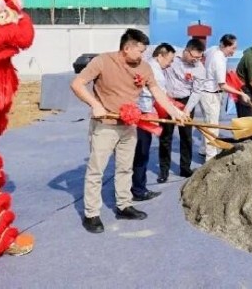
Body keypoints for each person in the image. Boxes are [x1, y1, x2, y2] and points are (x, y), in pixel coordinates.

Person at [71, 29, 188, 234]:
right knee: (96, 171)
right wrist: (95, 104)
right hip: (105, 125)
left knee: (125, 168)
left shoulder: (144, 67)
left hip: (129, 125)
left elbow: (156, 91)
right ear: (126, 48)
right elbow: (77, 84)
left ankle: (124, 205)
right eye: (140, 51)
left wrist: (174, 111)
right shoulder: (103, 61)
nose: (143, 56)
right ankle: (91, 214)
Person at [131, 42, 176, 200]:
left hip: (143, 113)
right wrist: (176, 112)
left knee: (138, 153)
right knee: (141, 153)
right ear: (160, 56)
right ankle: (138, 190)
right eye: (170, 60)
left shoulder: (152, 68)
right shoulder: (153, 70)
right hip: (142, 116)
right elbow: (160, 96)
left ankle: (135, 188)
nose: (170, 64)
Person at [195, 34, 247, 161]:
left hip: (204, 92)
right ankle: (211, 157)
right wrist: (241, 93)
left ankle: (203, 149)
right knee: (213, 127)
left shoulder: (213, 49)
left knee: (207, 123)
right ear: (224, 45)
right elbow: (222, 85)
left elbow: (202, 57)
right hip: (211, 94)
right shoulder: (219, 60)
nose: (233, 52)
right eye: (232, 48)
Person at [160, 38, 207, 179]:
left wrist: (187, 110)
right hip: (168, 100)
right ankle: (164, 170)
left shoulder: (199, 68)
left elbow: (197, 91)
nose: (196, 60)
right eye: (194, 57)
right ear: (187, 50)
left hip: (186, 101)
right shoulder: (172, 55)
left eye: (199, 58)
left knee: (186, 136)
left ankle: (185, 168)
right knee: (165, 135)